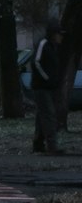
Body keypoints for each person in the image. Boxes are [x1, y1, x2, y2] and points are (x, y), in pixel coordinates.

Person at [31, 20, 65, 156]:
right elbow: (36, 62)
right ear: (53, 34)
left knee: (42, 116)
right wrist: (47, 79)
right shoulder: (44, 44)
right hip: (41, 87)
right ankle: (52, 146)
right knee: (49, 115)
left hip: (48, 87)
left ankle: (38, 144)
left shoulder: (53, 47)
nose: (61, 37)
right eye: (59, 34)